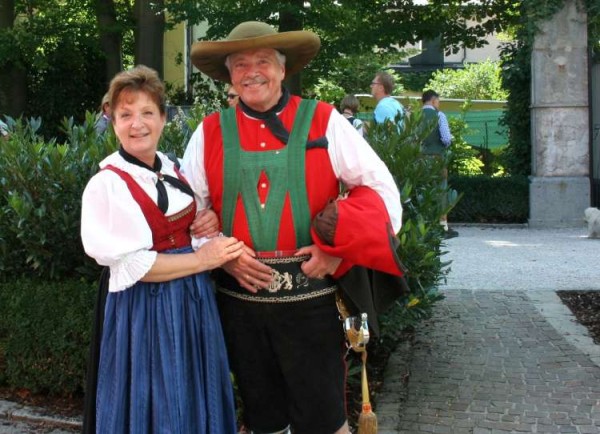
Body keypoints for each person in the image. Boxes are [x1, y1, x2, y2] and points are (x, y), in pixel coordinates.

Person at [183, 21, 406, 434]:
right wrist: (217, 247)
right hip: (240, 306)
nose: (252, 71)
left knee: (323, 421)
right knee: (264, 418)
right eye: (241, 64)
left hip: (312, 306)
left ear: (283, 69)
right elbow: (186, 213)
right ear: (230, 75)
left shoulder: (325, 121)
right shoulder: (209, 131)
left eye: (263, 61)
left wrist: (337, 251)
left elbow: (383, 195)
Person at [80, 65, 243, 434]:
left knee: (192, 395)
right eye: (125, 115)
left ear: (164, 118)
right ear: (112, 120)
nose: (137, 124)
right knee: (155, 398)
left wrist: (208, 221)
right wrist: (203, 259)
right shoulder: (107, 185)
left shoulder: (175, 168)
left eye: (147, 113)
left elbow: (190, 222)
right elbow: (131, 265)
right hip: (143, 311)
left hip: (193, 302)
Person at [420, 89, 458, 238]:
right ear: (434, 100)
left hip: (419, 159)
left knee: (422, 190)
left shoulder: (415, 116)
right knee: (440, 190)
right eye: (439, 101)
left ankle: (424, 226)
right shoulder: (439, 115)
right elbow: (446, 139)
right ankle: (442, 227)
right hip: (437, 158)